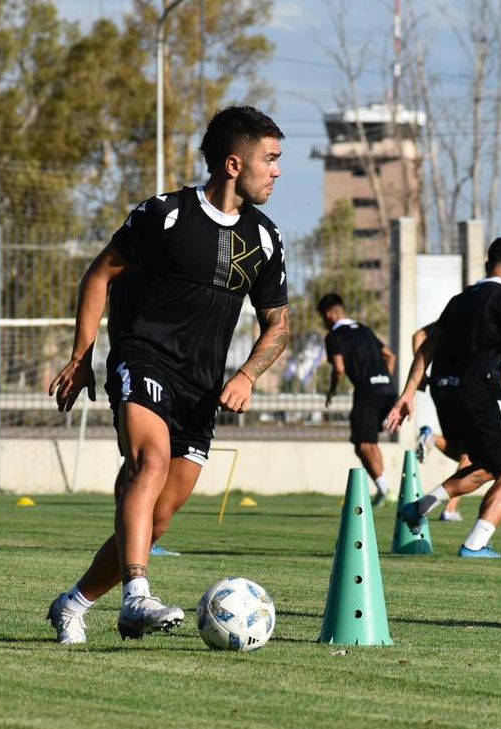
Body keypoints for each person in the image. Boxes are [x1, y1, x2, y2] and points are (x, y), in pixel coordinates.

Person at [46, 106, 290, 644]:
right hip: (144, 357)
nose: (277, 172)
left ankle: (74, 603)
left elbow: (278, 325)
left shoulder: (266, 239)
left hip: (202, 389)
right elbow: (99, 275)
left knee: (156, 521)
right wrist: (82, 355)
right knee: (147, 462)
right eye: (269, 160)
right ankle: (137, 596)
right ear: (233, 163)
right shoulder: (166, 215)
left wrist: (248, 374)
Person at [384, 237, 501, 558]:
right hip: (482, 391)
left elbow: (426, 342)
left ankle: (420, 507)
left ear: (486, 265)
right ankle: (475, 544)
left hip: (446, 391)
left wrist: (409, 393)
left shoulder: (460, 300)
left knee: (484, 466)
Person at [317, 294, 397, 505]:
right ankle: (384, 490)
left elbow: (339, 369)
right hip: (388, 389)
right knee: (370, 442)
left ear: (328, 315)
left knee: (362, 445)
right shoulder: (364, 329)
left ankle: (386, 490)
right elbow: (391, 356)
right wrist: (385, 379)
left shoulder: (334, 336)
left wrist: (332, 390)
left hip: (367, 391)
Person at [411, 322, 472, 522]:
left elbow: (418, 335)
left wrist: (422, 374)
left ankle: (432, 437)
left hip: (440, 385)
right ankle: (450, 509)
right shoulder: (479, 314)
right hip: (464, 388)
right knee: (470, 456)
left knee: (458, 449)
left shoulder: (451, 315)